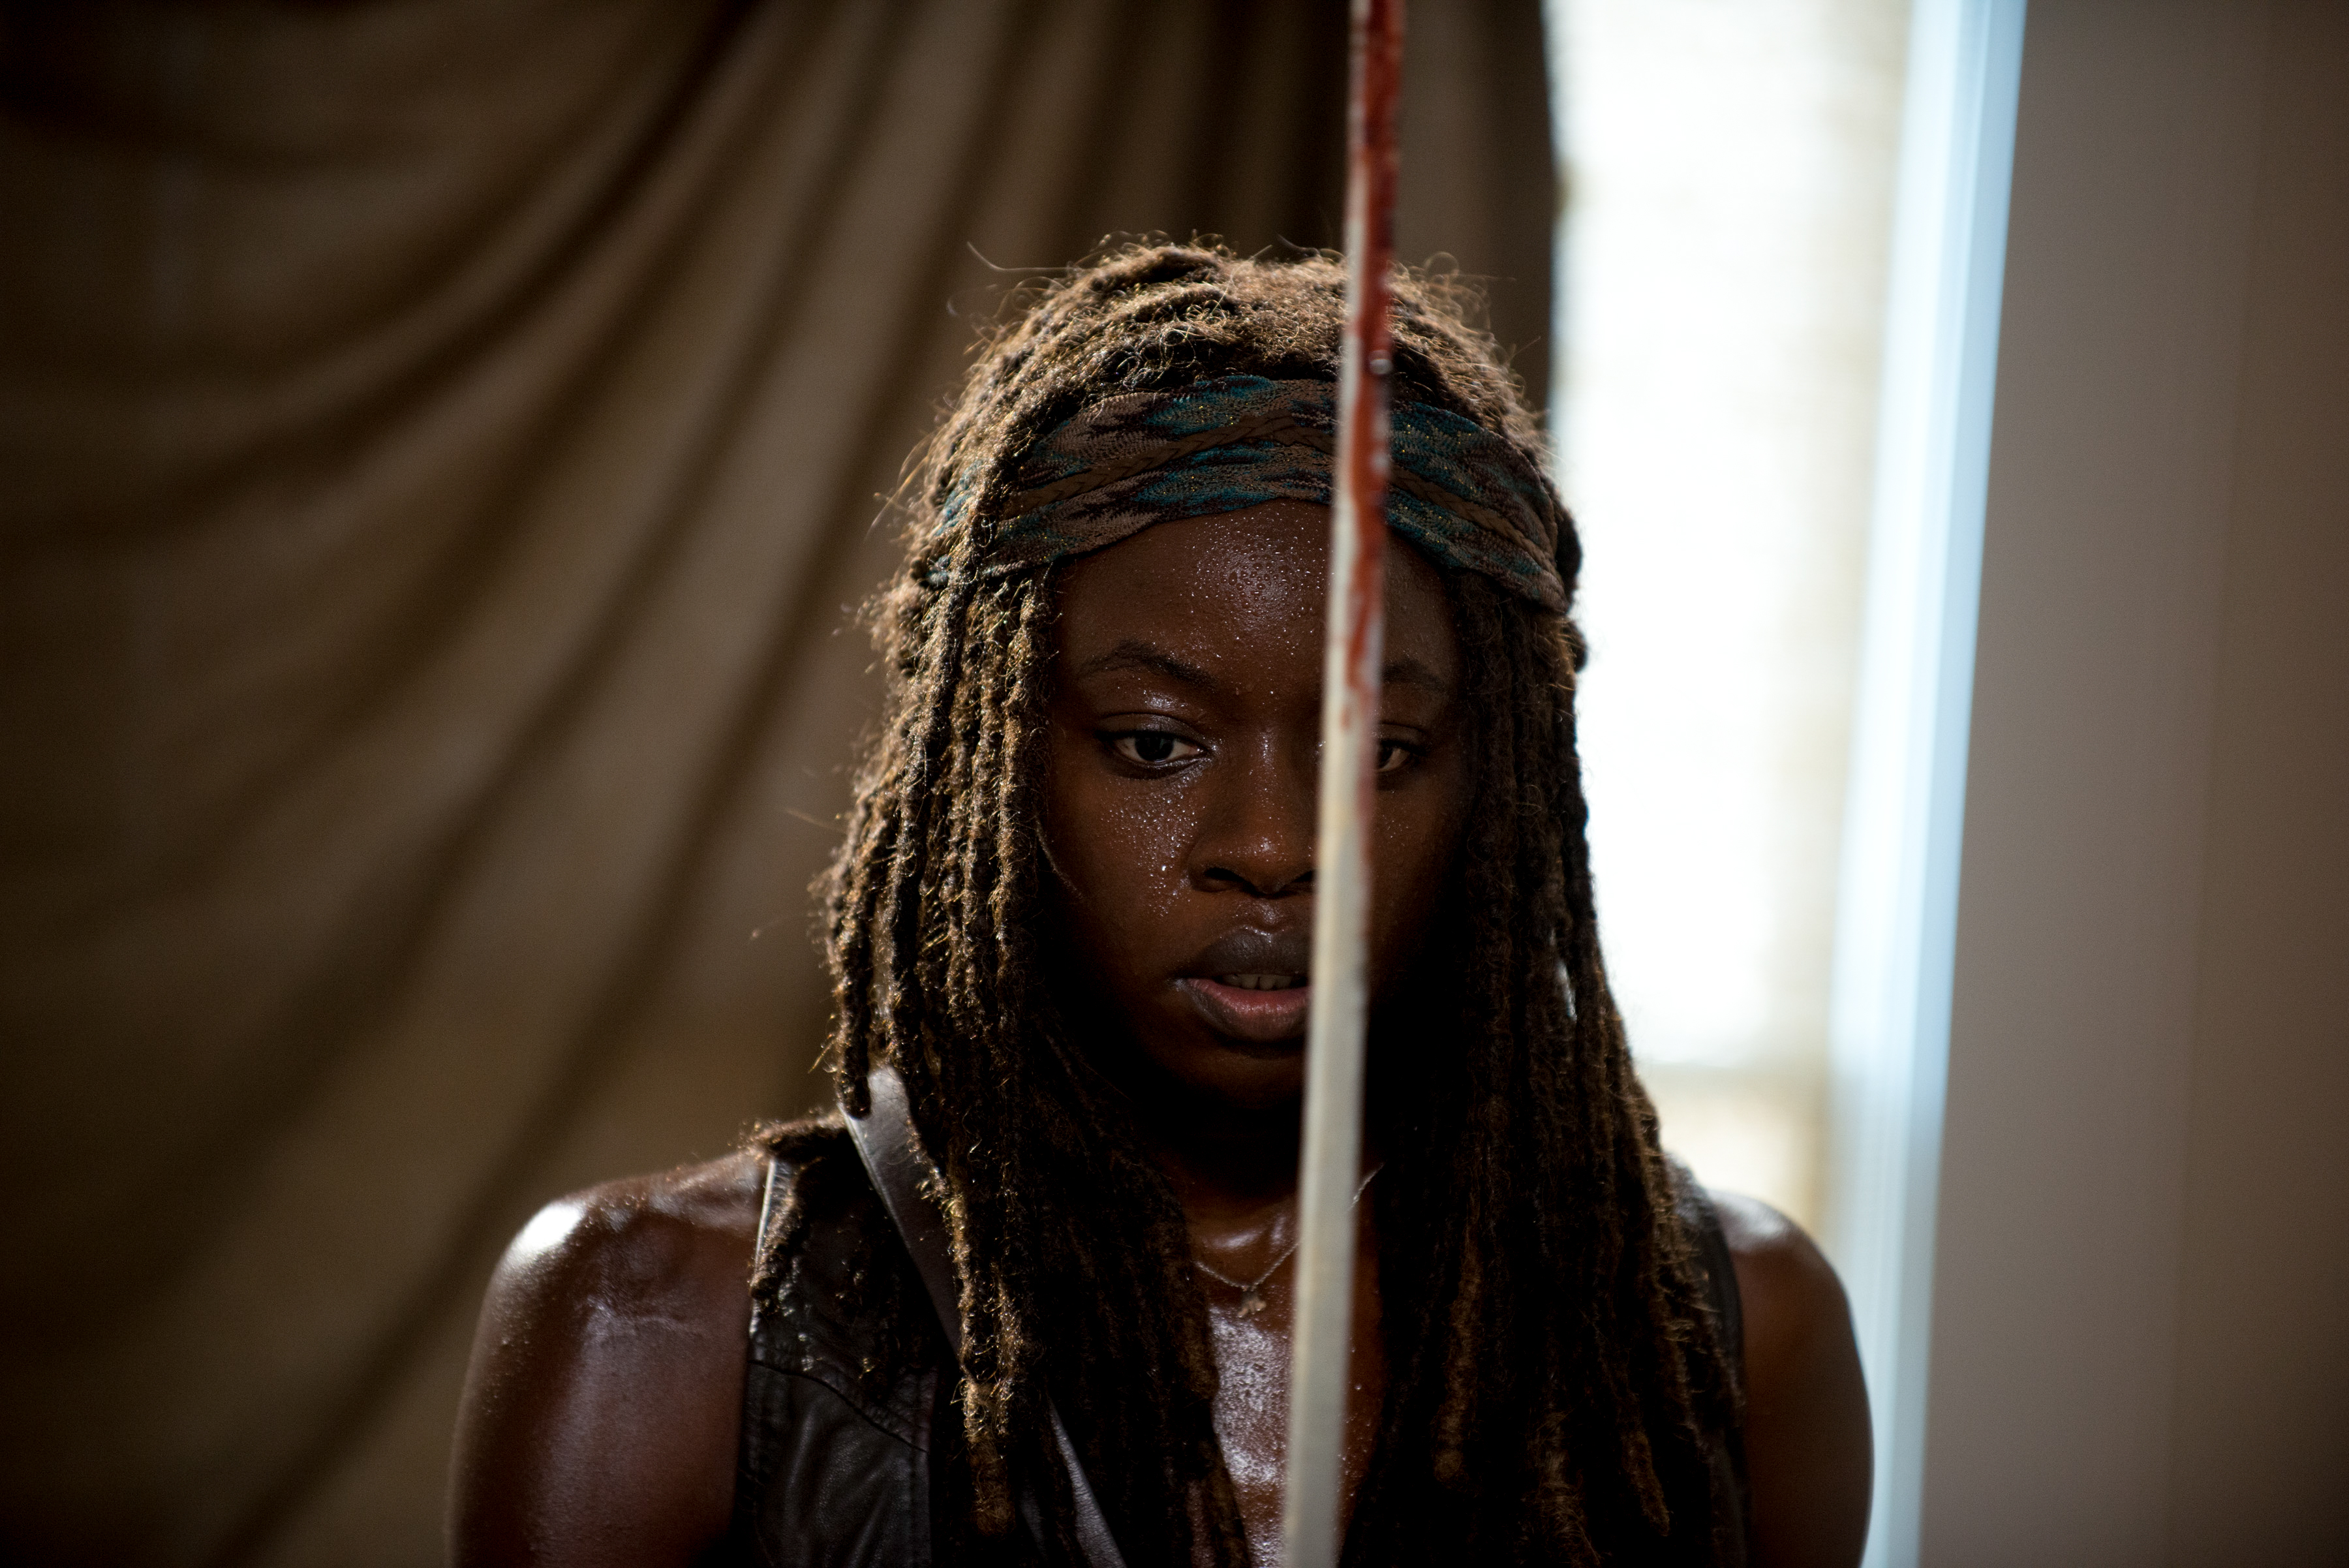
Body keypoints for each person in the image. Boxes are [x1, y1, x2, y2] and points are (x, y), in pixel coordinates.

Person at [448, 245, 1872, 1568]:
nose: (1273, 846)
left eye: (1379, 753)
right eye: (1152, 743)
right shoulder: (655, 1323)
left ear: (1498, 787)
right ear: (993, 762)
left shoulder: (1741, 1334)